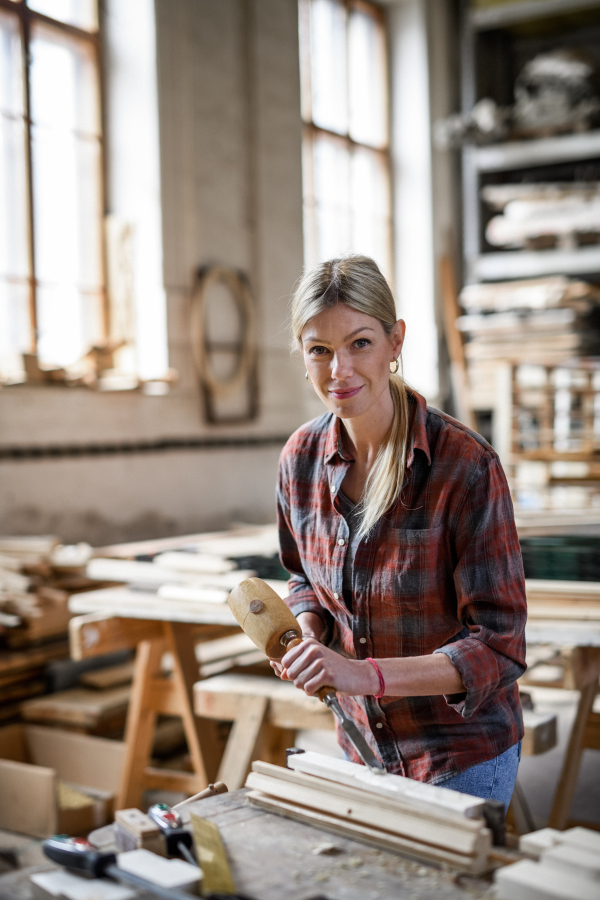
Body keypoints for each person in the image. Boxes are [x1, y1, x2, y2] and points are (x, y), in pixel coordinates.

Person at [273, 255, 527, 813]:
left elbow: (500, 646)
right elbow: (302, 579)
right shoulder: (301, 459)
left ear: (395, 342)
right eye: (319, 350)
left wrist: (361, 675)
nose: (339, 369)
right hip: (363, 747)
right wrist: (310, 633)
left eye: (359, 342)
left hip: (459, 753)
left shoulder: (465, 465)